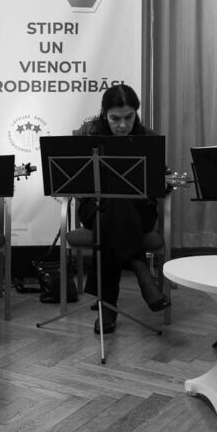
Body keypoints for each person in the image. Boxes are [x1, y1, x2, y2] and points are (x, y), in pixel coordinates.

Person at [72, 83, 170, 334]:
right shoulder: (88, 136)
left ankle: (106, 307)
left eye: (129, 117)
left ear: (136, 113)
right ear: (104, 114)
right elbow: (74, 180)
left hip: (139, 212)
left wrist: (163, 181)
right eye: (115, 119)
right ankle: (140, 268)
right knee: (111, 203)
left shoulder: (148, 139)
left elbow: (160, 183)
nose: (123, 125)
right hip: (94, 207)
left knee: (112, 212)